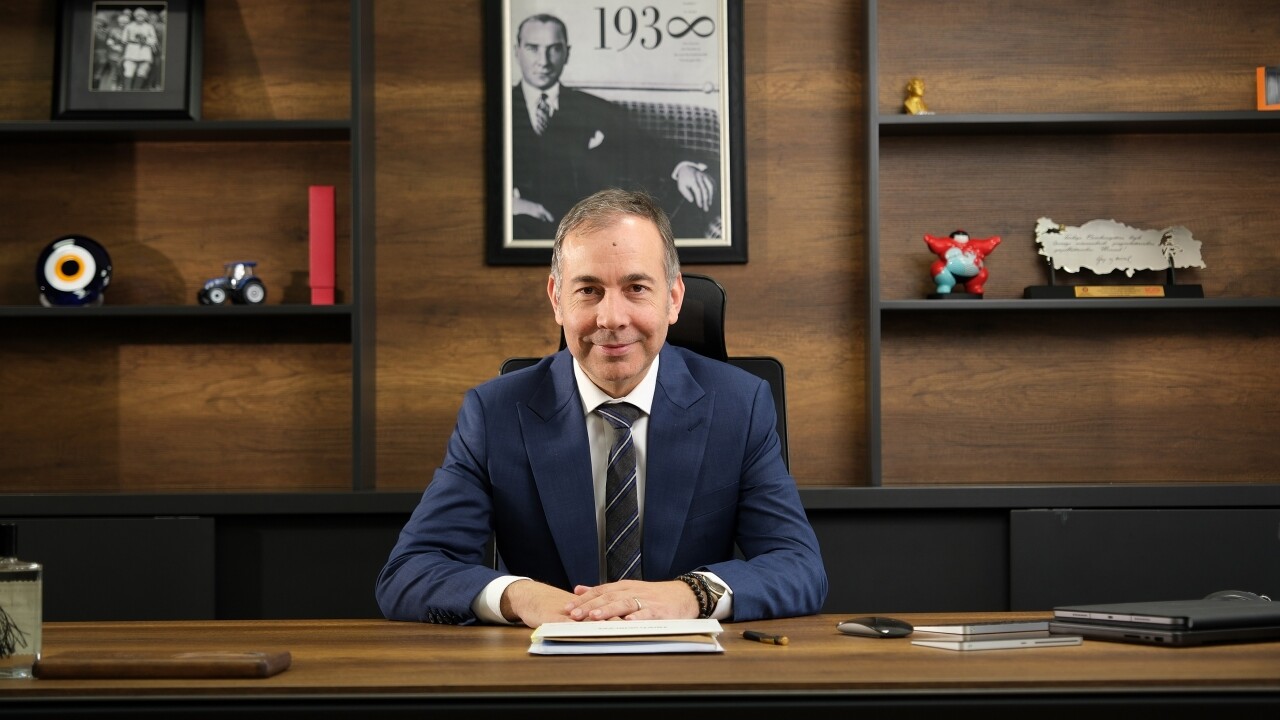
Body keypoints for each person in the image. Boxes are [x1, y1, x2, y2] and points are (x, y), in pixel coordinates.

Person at [377, 188, 827, 628]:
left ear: (673, 299)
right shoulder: (494, 414)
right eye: (589, 290)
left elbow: (798, 565)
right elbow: (409, 571)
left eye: (636, 288)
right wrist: (521, 596)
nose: (611, 318)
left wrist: (690, 594)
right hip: (545, 666)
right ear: (557, 299)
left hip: (690, 666)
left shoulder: (739, 406)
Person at [510, 13, 718, 241]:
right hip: (520, 229)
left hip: (588, 233)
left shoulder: (592, 107)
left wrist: (684, 168)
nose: (544, 61)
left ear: (567, 53)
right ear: (516, 51)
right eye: (532, 48)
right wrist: (512, 204)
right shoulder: (498, 109)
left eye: (554, 49)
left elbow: (646, 145)